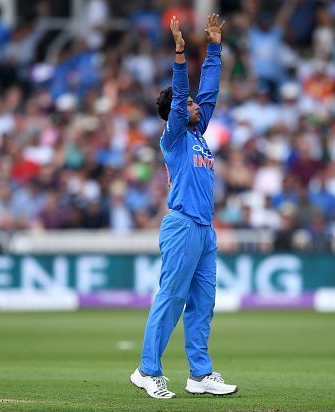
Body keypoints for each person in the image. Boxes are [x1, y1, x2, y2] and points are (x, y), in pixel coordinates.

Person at [130, 14, 238, 399]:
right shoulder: (173, 137)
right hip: (181, 227)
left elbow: (209, 92)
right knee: (172, 298)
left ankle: (200, 374)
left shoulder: (198, 134)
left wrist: (214, 48)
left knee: (203, 304)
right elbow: (184, 95)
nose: (196, 105)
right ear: (177, 110)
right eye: (188, 103)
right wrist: (179, 53)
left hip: (205, 230)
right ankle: (147, 370)